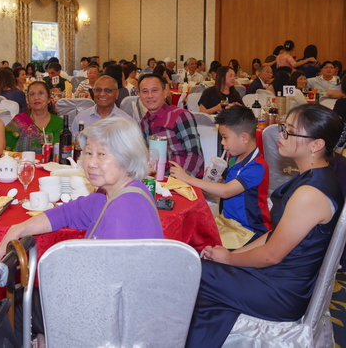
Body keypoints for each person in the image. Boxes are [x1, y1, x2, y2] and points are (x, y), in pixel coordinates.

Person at [185, 104, 345, 348]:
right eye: (284, 128)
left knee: (189, 270)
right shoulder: (313, 178)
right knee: (205, 268)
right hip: (278, 277)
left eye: (289, 131)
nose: (281, 135)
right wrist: (233, 254)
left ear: (316, 145)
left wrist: (229, 258)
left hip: (280, 291)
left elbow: (271, 255)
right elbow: (275, 234)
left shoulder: (311, 193)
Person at [0, 117, 163, 343]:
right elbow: (68, 212)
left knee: (14, 306)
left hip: (116, 324)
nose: (91, 163)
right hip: (114, 309)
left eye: (102, 154)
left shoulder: (124, 211)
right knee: (26, 295)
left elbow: (107, 293)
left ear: (127, 157)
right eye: (89, 153)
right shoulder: (116, 192)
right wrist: (17, 229)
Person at [170, 106, 270, 247]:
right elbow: (232, 188)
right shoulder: (235, 158)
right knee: (191, 233)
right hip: (229, 222)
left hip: (248, 230)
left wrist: (188, 178)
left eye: (225, 137)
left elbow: (227, 191)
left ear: (244, 138)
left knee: (203, 247)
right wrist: (218, 181)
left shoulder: (257, 167)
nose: (222, 143)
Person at [139, 73, 205, 178]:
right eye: (145, 91)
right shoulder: (143, 124)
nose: (150, 95)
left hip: (183, 179)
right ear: (139, 95)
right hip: (155, 181)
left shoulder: (180, 116)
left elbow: (195, 154)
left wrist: (183, 180)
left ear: (165, 93)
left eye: (155, 90)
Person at [5, 81, 63, 153]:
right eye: (32, 94)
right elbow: (6, 150)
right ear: (28, 100)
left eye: (41, 93)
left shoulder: (58, 122)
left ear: (49, 99)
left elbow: (58, 151)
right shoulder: (19, 121)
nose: (36, 97)